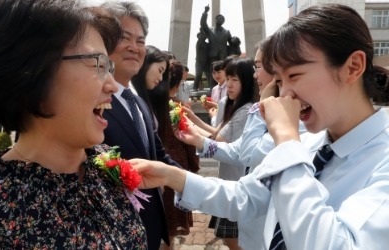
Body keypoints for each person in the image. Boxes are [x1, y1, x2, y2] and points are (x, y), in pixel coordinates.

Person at [130, 4, 389, 249]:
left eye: (294, 76)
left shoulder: (380, 159)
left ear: (352, 67)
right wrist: (171, 176)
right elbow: (245, 196)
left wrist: (286, 141)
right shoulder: (310, 145)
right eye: (278, 80)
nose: (284, 94)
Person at [0, 0, 147, 248]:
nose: (112, 85)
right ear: (32, 70)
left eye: (110, 67)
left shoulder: (105, 167)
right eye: (98, 64)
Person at [101, 1, 179, 249]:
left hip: (151, 226)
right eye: (125, 38)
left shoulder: (138, 103)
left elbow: (158, 155)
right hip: (113, 232)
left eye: (141, 41)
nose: (134, 48)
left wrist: (187, 181)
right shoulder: (92, 103)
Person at [184, 57, 256, 249]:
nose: (229, 85)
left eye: (235, 80)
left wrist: (189, 127)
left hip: (237, 183)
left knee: (234, 240)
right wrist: (192, 121)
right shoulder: (235, 106)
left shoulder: (246, 110)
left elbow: (219, 141)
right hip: (229, 179)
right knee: (230, 239)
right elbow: (217, 133)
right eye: (229, 78)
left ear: (247, 81)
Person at [149, 60, 200, 250]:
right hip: (175, 164)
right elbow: (189, 142)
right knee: (170, 224)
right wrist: (193, 166)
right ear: (178, 84)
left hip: (152, 164)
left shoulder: (147, 104)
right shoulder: (177, 108)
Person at [131, 45, 170, 116]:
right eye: (160, 70)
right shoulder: (127, 95)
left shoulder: (147, 100)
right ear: (146, 63)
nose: (161, 78)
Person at [201, 5, 232, 88]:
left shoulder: (227, 32)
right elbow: (203, 24)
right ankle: (213, 89)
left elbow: (231, 43)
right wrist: (205, 12)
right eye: (218, 18)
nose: (219, 20)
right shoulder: (210, 30)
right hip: (212, 55)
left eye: (221, 19)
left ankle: (225, 88)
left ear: (223, 21)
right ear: (215, 20)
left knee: (224, 72)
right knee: (213, 72)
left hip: (223, 56)